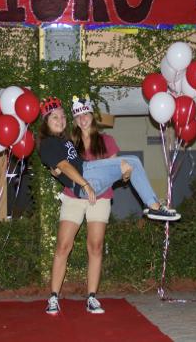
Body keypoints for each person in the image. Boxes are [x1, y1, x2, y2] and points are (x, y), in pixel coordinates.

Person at [38, 95, 180, 315]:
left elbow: (112, 172)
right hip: (81, 186)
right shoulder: (57, 142)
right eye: (76, 116)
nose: (79, 119)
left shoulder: (77, 141)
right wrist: (81, 182)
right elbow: (62, 166)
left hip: (98, 189)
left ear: (92, 117)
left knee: (95, 245)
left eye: (62, 116)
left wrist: (125, 175)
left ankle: (92, 297)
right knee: (63, 246)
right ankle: (53, 297)